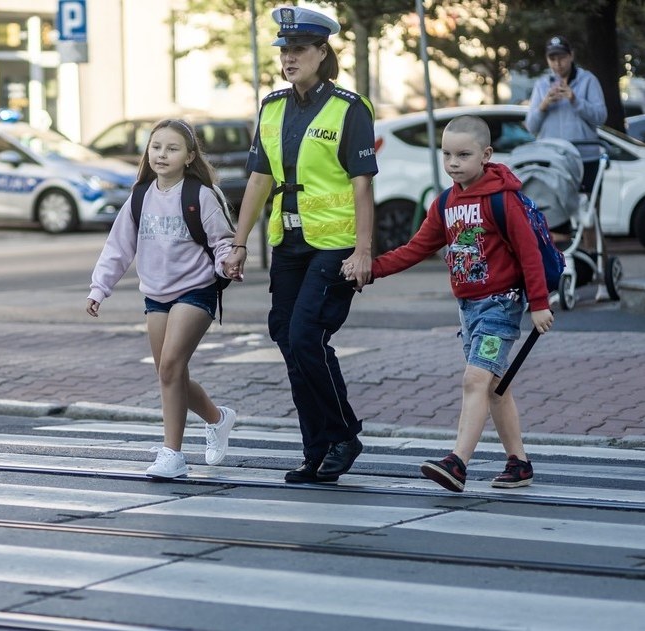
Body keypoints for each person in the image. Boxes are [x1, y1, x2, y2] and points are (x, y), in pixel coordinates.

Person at [352, 115, 553, 492]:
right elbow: (416, 249)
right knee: (494, 385)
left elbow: (529, 255)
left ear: (486, 154)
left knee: (475, 379)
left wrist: (539, 303)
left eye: (463, 154)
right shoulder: (445, 202)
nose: (454, 163)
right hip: (468, 308)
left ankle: (457, 463)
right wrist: (371, 269)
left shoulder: (501, 199)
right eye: (447, 154)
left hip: (501, 305)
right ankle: (519, 463)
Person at [222, 6, 376, 484]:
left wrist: (365, 251)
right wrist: (239, 243)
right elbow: (258, 179)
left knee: (307, 336)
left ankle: (343, 434)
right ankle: (317, 449)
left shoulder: (350, 108)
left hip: (335, 245)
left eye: (299, 50)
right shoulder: (270, 107)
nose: (289, 58)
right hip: (286, 242)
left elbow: (363, 185)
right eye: (284, 51)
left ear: (322, 53)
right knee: (288, 342)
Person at [87, 118, 238, 479]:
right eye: (156, 147)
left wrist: (230, 264)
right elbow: (118, 248)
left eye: (172, 148)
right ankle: (218, 418)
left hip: (196, 290)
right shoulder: (140, 196)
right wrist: (99, 288)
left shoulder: (200, 194)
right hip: (156, 295)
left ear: (189, 156)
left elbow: (223, 241)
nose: (161, 154)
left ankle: (172, 454)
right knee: (170, 374)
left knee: (170, 367)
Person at [525, 35, 607, 233]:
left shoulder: (588, 80)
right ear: (547, 60)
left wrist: (574, 99)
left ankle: (594, 262)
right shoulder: (542, 85)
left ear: (571, 56)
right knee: (555, 219)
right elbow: (530, 126)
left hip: (585, 159)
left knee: (589, 218)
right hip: (554, 163)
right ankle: (561, 261)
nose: (557, 63)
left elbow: (600, 117)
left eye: (561, 57)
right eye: (552, 59)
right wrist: (544, 105)